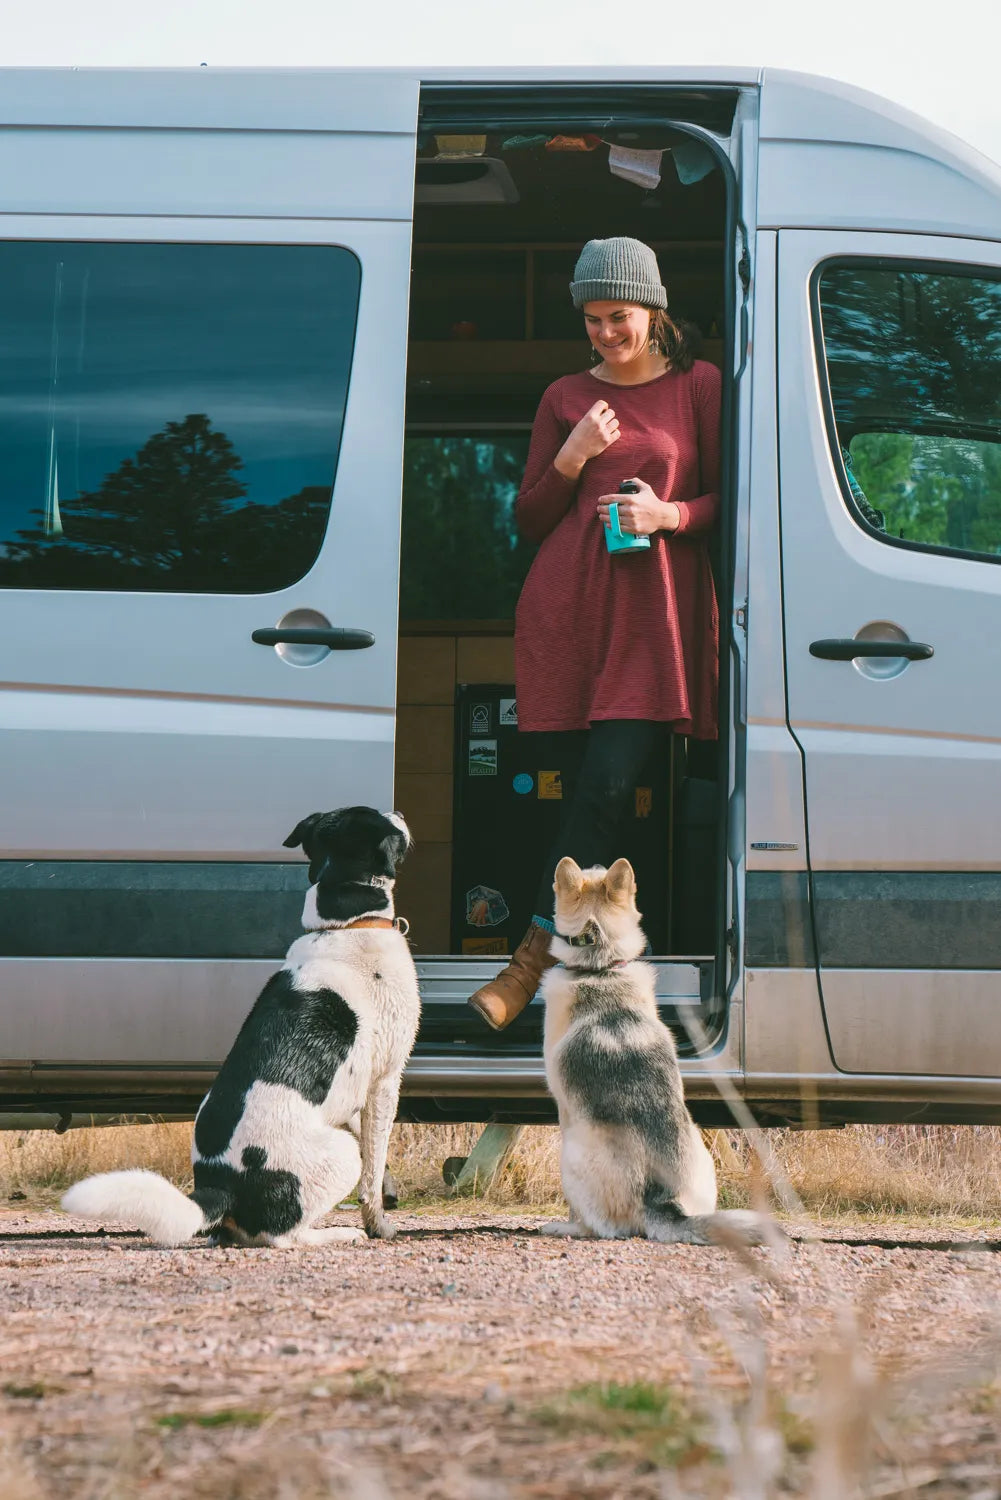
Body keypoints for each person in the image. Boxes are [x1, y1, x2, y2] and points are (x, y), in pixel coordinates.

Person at [467, 236, 722, 1030]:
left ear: (653, 309)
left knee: (610, 792)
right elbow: (531, 518)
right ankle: (600, 987)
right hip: (568, 611)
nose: (605, 333)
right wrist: (573, 457)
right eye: (591, 319)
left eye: (618, 316)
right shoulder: (563, 396)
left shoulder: (699, 387)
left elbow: (734, 500)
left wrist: (667, 514)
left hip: (654, 615)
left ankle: (525, 968)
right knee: (584, 806)